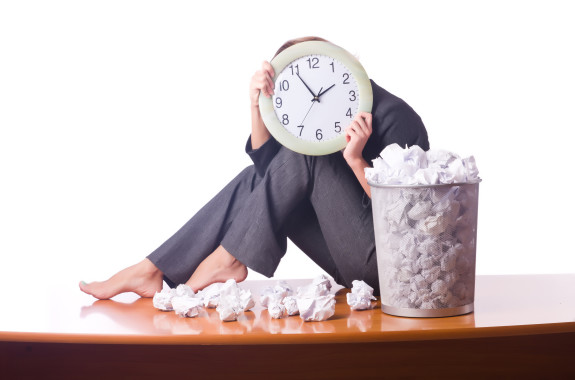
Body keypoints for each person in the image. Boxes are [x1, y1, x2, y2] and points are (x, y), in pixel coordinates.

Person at [79, 36, 429, 300]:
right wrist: (255, 105)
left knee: (305, 158)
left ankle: (228, 259)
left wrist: (356, 161)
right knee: (259, 178)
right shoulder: (320, 126)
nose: (314, 100)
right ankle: (152, 269)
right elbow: (271, 174)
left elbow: (410, 220)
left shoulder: (395, 117)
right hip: (346, 261)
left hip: (387, 269)